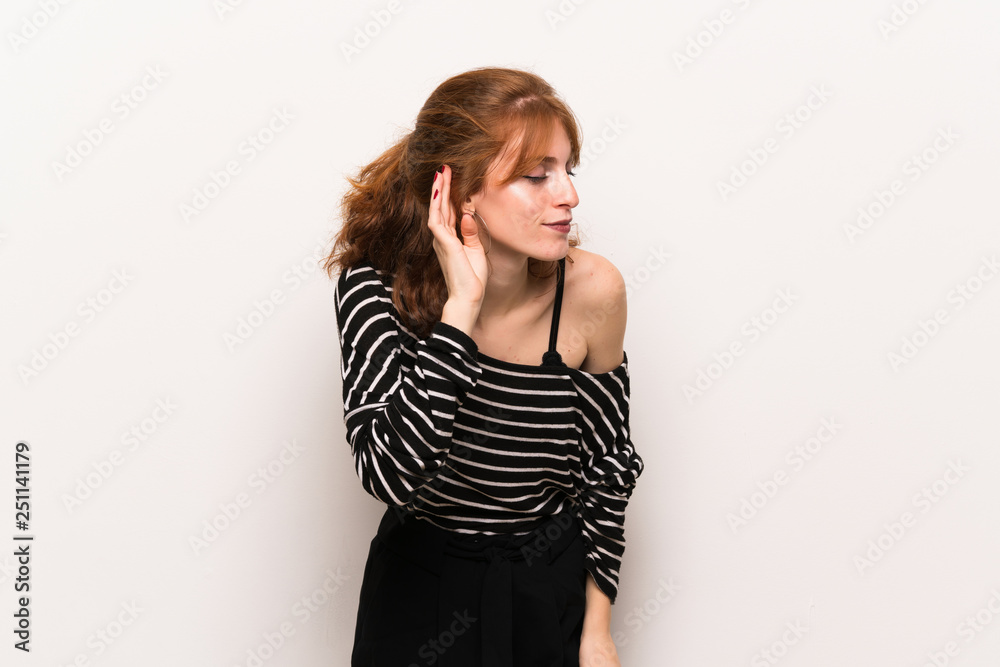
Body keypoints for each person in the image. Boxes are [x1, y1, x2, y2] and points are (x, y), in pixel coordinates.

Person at [324, 66, 644, 667]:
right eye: (536, 175)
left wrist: (597, 631)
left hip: (544, 586)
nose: (568, 196)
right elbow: (388, 474)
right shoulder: (374, 288)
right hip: (419, 586)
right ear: (463, 191)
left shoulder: (593, 290)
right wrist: (460, 313)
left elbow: (607, 468)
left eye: (568, 170)